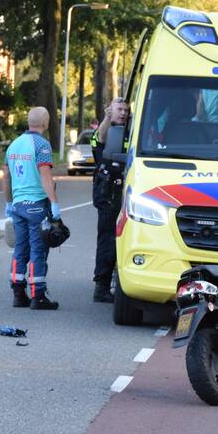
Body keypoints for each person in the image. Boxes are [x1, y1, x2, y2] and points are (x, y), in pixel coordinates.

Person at [3, 106, 61, 310]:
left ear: (29, 122)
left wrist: (9, 202)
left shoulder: (14, 145)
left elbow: (7, 177)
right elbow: (45, 176)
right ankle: (38, 295)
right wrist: (54, 202)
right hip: (36, 204)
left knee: (20, 248)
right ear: (45, 124)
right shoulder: (42, 145)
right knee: (38, 249)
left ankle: (18, 293)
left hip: (18, 205)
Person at [89, 97, 129, 303]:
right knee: (107, 238)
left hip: (127, 190)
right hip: (108, 192)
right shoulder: (105, 131)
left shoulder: (132, 132)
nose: (122, 112)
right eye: (118, 109)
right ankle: (101, 285)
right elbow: (101, 138)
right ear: (109, 111)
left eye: (125, 109)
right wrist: (106, 119)